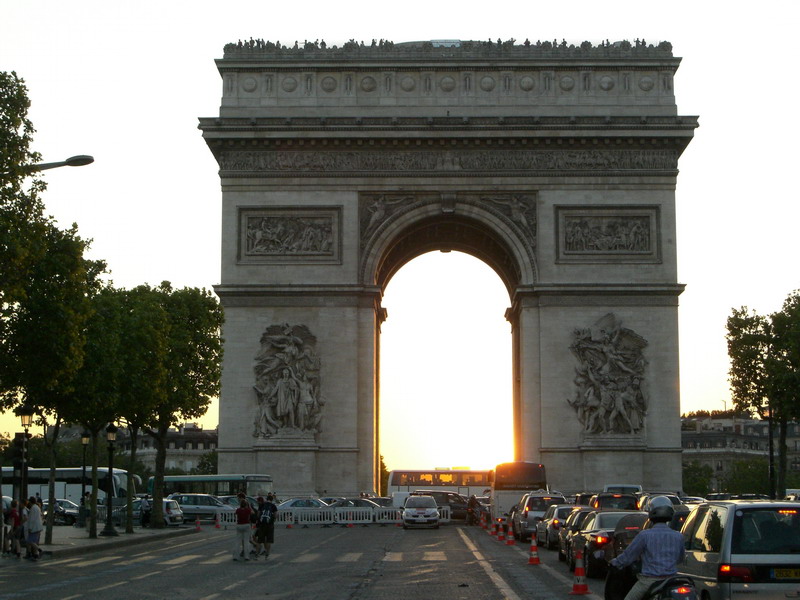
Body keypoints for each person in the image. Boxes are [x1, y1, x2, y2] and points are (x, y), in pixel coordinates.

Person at [610, 496, 685, 600]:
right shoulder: (678, 536)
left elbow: (628, 556)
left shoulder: (644, 535)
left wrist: (614, 562)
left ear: (651, 513)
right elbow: (680, 559)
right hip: (671, 581)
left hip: (649, 582)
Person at [250, 494, 278, 560]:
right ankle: (267, 554)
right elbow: (276, 515)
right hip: (270, 525)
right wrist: (272, 520)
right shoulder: (273, 506)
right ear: (272, 499)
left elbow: (258, 514)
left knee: (259, 540)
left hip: (261, 525)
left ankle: (257, 554)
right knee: (268, 540)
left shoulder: (262, 505)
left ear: (266, 499)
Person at [25, 496, 43, 561]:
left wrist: (30, 528)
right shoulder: (37, 507)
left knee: (30, 541)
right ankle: (35, 555)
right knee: (35, 541)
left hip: (34, 528)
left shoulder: (33, 508)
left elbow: (32, 519)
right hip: (38, 527)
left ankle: (39, 550)